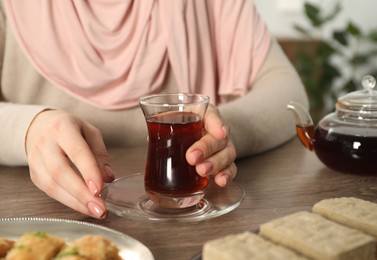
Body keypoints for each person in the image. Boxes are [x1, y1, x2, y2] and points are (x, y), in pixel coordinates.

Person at [0, 0, 308, 219]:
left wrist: (222, 134)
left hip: (199, 227)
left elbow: (287, 90)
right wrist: (26, 130)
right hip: (44, 221)